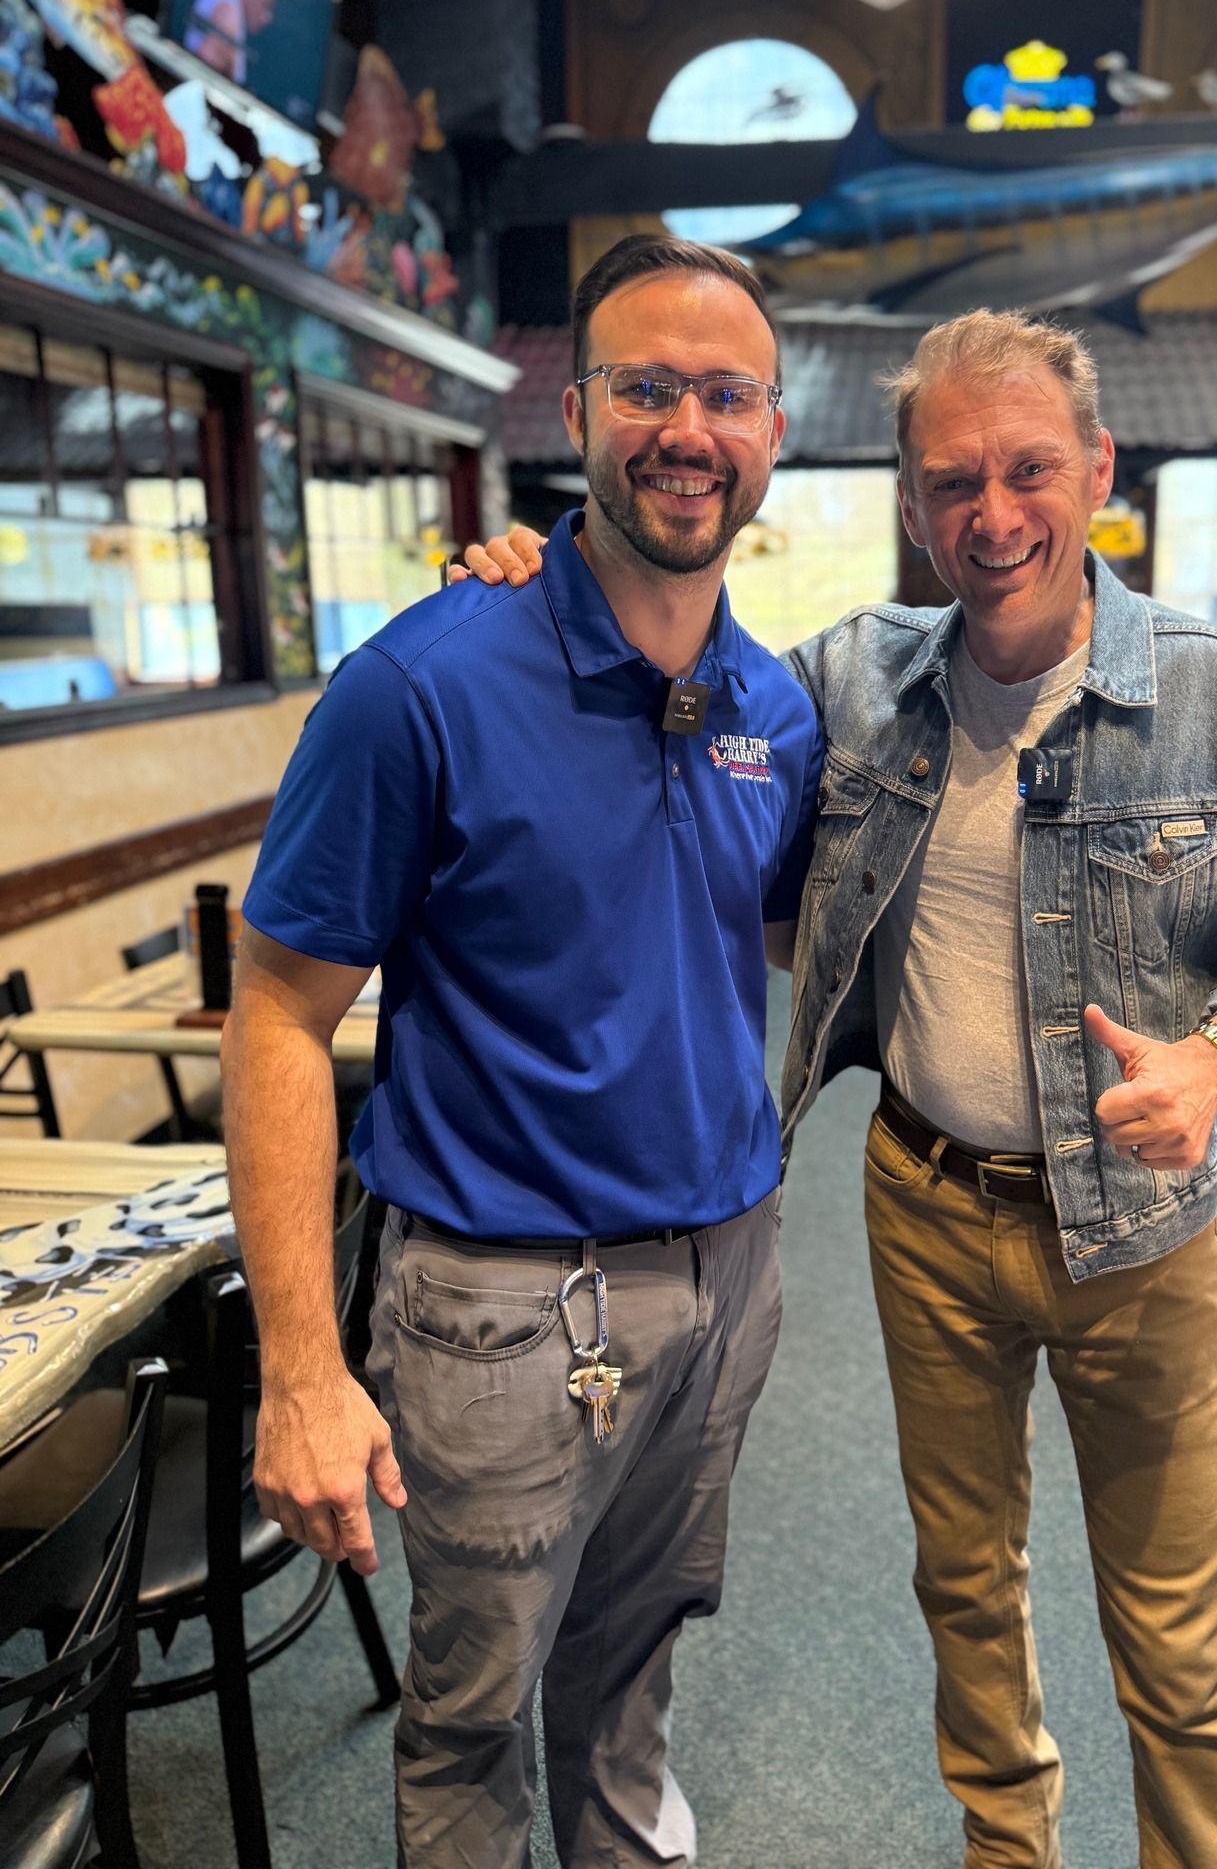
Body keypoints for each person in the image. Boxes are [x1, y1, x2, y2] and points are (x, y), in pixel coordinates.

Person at [467, 307, 1217, 1868]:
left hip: (1142, 1232)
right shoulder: (854, 680)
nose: (994, 517)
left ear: (1098, 467)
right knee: (964, 1585)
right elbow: (673, 663)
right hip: (927, 1206)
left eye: (1030, 471)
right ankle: (1004, 1852)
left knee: (1171, 1631)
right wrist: (529, 585)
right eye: (953, 482)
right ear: (907, 500)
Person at [222, 235, 823, 1868]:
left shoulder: (777, 699)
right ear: (578, 407)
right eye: (646, 385)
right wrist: (299, 1369)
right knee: (473, 1721)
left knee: (630, 1686)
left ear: (775, 428)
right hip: (500, 1301)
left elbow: (764, 932)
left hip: (729, 1276)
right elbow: (277, 1013)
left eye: (726, 392)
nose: (687, 426)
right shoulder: (420, 683)